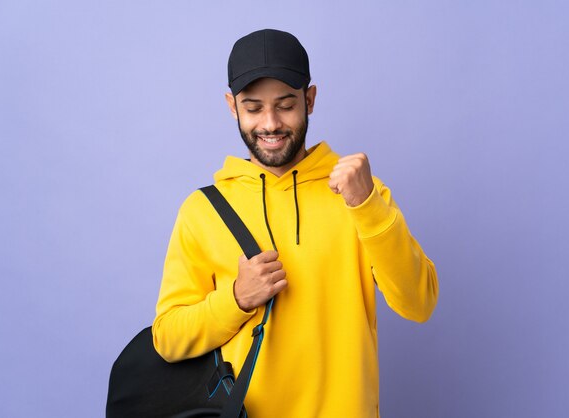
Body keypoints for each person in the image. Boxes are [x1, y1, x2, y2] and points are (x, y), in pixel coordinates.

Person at [153, 28, 438, 418]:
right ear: (232, 107)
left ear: (310, 99)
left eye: (285, 105)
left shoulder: (363, 194)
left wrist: (367, 205)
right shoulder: (202, 210)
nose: (270, 124)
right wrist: (235, 299)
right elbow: (167, 337)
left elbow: (419, 303)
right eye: (253, 108)